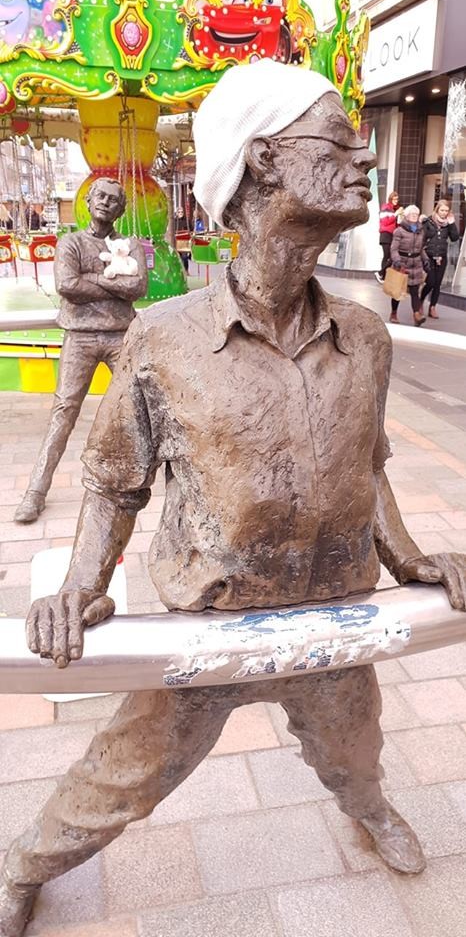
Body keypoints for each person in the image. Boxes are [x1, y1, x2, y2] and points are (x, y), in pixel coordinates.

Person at [2, 60, 466, 937]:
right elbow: (113, 482)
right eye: (337, 140)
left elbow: (369, 466)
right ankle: (24, 863)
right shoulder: (164, 340)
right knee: (120, 780)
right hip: (206, 632)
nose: (362, 158)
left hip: (334, 619)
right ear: (262, 162)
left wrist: (409, 558)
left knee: (355, 753)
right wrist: (78, 585)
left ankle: (367, 811)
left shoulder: (364, 336)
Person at [14, 177, 148, 524]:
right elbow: (67, 285)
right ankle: (35, 491)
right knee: (63, 412)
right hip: (80, 337)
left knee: (140, 405)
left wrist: (96, 282)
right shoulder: (70, 243)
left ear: (121, 209)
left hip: (121, 336)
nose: (105, 202)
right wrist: (110, 282)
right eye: (99, 196)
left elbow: (138, 287)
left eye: (113, 199)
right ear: (88, 201)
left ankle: (147, 477)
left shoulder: (130, 245)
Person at [390, 204, 430, 326]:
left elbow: (421, 249)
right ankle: (394, 313)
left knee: (414, 292)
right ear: (406, 216)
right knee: (398, 291)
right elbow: (394, 249)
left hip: (416, 264)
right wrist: (396, 260)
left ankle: (417, 315)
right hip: (402, 264)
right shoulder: (399, 231)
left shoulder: (420, 231)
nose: (415, 216)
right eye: (412, 214)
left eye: (416, 215)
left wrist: (425, 260)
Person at [421, 199, 459, 318]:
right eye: (442, 210)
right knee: (430, 282)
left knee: (437, 283)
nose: (444, 213)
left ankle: (432, 307)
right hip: (429, 256)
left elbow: (454, 238)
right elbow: (422, 237)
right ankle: (421, 300)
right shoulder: (428, 221)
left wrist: (452, 224)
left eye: (446, 211)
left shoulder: (449, 223)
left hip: (441, 256)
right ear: (437, 209)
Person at [374, 190, 402, 283]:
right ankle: (381, 274)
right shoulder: (386, 207)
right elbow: (385, 222)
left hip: (392, 235)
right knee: (388, 255)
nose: (396, 201)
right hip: (385, 234)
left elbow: (396, 223)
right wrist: (396, 214)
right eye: (394, 199)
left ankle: (383, 275)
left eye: (397, 199)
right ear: (390, 199)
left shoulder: (395, 209)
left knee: (388, 256)